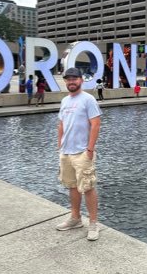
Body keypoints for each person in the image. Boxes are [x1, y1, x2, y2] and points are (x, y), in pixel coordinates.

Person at [56, 67, 102, 241]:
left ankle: (93, 223)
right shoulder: (64, 101)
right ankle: (75, 218)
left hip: (82, 152)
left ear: (81, 80)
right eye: (68, 79)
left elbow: (96, 124)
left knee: (88, 187)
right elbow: (61, 124)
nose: (71, 82)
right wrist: (59, 145)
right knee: (72, 186)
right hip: (66, 152)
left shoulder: (88, 99)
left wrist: (90, 149)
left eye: (74, 79)